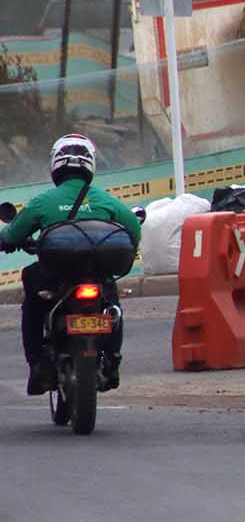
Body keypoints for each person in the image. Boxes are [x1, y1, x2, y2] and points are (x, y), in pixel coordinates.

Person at [0, 134, 141, 395]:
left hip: (55, 277)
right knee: (113, 308)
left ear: (55, 165)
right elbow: (133, 228)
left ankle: (37, 365)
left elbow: (11, 235)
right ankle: (112, 361)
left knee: (31, 294)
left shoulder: (43, 202)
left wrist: (7, 241)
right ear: (90, 165)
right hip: (98, 275)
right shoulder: (104, 200)